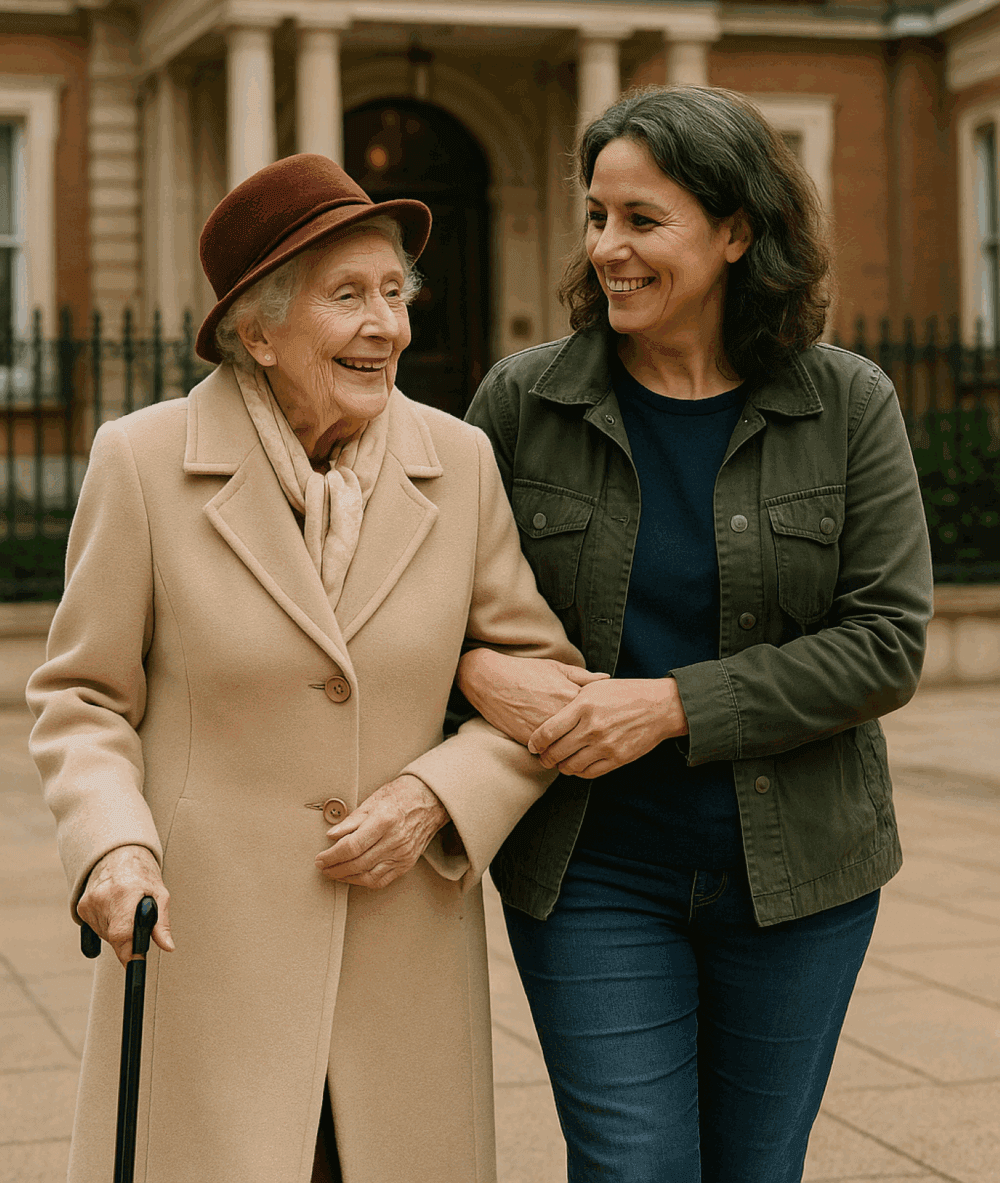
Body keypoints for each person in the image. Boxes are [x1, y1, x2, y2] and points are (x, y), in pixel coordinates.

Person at [27, 153, 588, 1183]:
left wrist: (435, 795)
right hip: (209, 949)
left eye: (395, 293)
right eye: (349, 297)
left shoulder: (458, 462)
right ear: (258, 332)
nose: (388, 327)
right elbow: (83, 696)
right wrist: (112, 846)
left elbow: (538, 676)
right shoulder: (142, 462)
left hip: (401, 948)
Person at [459, 86, 934, 1183]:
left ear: (736, 232)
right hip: (593, 870)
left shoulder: (847, 403)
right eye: (596, 216)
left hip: (800, 875)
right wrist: (476, 668)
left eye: (642, 219)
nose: (607, 249)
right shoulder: (523, 403)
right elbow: (424, 606)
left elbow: (885, 641)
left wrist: (671, 705)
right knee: (632, 1166)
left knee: (756, 1169)